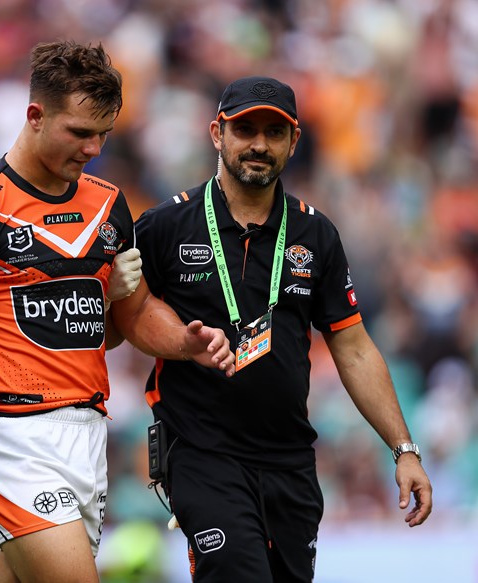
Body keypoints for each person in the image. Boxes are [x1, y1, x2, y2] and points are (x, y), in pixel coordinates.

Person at [0, 40, 234, 583]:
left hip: (86, 433)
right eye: (80, 132)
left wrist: (184, 343)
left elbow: (130, 316)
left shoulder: (108, 204)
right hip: (10, 438)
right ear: (35, 115)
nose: (94, 147)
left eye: (104, 133)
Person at [110, 76, 433, 582]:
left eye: (273, 132)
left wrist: (404, 450)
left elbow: (353, 349)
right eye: (245, 129)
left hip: (290, 461)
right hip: (201, 453)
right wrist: (145, 318)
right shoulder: (164, 225)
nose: (259, 143)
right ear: (217, 133)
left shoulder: (316, 234)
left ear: (293, 142)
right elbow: (117, 328)